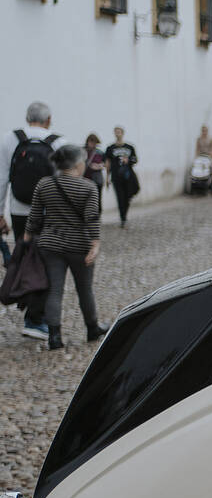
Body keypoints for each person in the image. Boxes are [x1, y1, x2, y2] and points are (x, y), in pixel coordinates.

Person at [24, 144, 105, 350]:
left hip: (50, 244)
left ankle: (54, 337)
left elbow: (34, 216)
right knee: (84, 289)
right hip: (80, 245)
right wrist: (95, 244)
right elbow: (91, 219)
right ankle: (92, 328)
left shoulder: (44, 184)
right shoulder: (88, 187)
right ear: (78, 164)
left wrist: (26, 238)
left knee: (54, 291)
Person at [9, 101, 58, 339]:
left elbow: (0, 178)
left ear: (27, 118)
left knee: (25, 259)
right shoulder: (58, 142)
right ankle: (35, 319)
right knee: (46, 264)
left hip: (18, 210)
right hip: (47, 213)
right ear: (49, 119)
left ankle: (30, 311)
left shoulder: (11, 139)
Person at [104, 127, 138, 226]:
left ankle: (124, 215)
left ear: (123, 133)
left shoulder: (129, 147)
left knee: (129, 195)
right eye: (115, 132)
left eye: (119, 132)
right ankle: (123, 218)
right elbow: (107, 163)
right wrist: (107, 177)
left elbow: (135, 159)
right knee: (120, 197)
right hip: (116, 176)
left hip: (128, 176)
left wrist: (128, 160)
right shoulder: (110, 148)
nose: (117, 134)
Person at [194, 125, 212, 194]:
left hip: (208, 156)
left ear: (207, 131)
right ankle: (198, 188)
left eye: (205, 131)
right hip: (201, 157)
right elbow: (197, 149)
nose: (204, 132)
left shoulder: (210, 139)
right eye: (203, 131)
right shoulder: (199, 139)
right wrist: (196, 157)